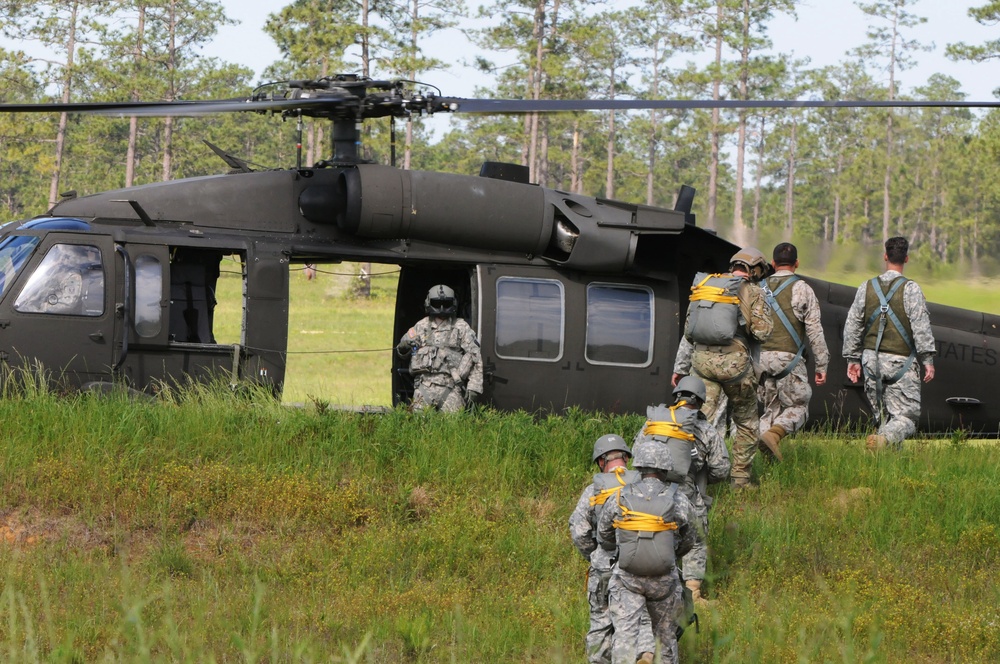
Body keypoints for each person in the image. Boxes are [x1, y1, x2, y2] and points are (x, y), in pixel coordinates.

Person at [672, 247, 773, 488]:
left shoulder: (706, 286)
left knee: (701, 420)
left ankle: (697, 477)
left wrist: (679, 368)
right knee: (747, 422)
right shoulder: (754, 292)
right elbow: (762, 333)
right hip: (734, 367)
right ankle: (740, 479)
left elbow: (689, 333)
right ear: (756, 269)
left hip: (701, 364)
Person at [597, 426, 696, 664]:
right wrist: (670, 552)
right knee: (666, 638)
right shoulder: (678, 498)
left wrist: (623, 548)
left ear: (639, 466)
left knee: (625, 637)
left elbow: (603, 534)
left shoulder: (620, 496)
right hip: (664, 581)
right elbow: (690, 537)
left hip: (628, 579)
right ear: (665, 468)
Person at [842, 236, 936, 450]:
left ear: (885, 256)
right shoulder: (912, 289)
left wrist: (852, 359)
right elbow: (921, 326)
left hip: (870, 361)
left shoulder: (866, 287)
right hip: (900, 362)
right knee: (907, 417)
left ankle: (887, 461)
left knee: (882, 418)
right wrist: (927, 359)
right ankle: (882, 441)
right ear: (906, 258)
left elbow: (853, 324)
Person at [569, 435, 655, 664]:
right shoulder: (644, 487)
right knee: (642, 618)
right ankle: (643, 653)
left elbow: (578, 531)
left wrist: (596, 554)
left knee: (601, 624)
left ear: (600, 462)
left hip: (604, 568)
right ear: (627, 458)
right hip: (639, 565)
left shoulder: (593, 492)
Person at [757, 242, 830, 460]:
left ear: (772, 263)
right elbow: (815, 331)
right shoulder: (802, 288)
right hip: (788, 360)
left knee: (770, 410)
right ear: (796, 263)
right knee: (799, 407)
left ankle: (766, 462)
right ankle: (775, 435)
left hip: (759, 361)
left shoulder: (757, 289)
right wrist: (821, 365)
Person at [663, 375, 730, 604]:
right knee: (697, 538)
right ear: (700, 401)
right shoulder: (705, 430)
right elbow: (722, 469)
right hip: (688, 492)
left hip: (650, 492)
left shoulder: (653, 424)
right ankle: (693, 594)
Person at [395, 284, 483, 412]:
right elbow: (404, 349)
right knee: (421, 428)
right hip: (423, 387)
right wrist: (403, 347)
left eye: (445, 304)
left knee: (450, 429)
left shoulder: (461, 327)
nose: (441, 308)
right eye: (437, 303)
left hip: (452, 389)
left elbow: (475, 357)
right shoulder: (421, 326)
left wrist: (474, 387)